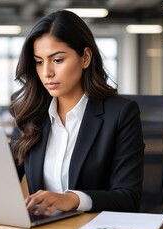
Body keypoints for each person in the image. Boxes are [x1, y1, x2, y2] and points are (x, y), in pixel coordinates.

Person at [9, 10, 144, 216]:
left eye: (58, 60)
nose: (46, 72)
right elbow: (2, 180)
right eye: (39, 62)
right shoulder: (30, 115)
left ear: (85, 58)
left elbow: (128, 198)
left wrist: (72, 199)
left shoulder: (121, 114)